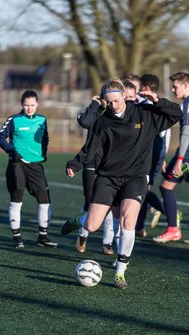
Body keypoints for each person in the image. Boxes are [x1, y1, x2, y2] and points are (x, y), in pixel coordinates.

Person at [61, 80, 182, 289]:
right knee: (92, 225)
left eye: (116, 100)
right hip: (108, 177)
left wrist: (158, 101)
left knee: (128, 221)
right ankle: (81, 219)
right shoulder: (102, 122)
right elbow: (90, 149)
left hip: (136, 176)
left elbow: (176, 114)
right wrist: (74, 164)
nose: (114, 105)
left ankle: (120, 271)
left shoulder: (145, 113)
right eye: (109, 102)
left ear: (124, 96)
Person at [0, 90, 57, 249]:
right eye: (26, 105)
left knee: (45, 202)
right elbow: (0, 137)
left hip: (36, 166)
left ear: (37, 104)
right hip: (17, 164)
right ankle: (17, 238)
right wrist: (11, 151)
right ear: (21, 104)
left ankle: (42, 237)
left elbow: (45, 138)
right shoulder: (14, 119)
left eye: (32, 105)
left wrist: (43, 153)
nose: (29, 108)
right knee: (17, 200)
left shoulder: (43, 120)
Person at [153, 72, 189, 246]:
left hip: (188, 156)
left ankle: (173, 230)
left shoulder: (187, 104)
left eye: (175, 86)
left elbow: (186, 132)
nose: (172, 89)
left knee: (165, 187)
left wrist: (180, 159)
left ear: (186, 85)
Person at [75, 85, 119, 255]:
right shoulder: (95, 112)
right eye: (107, 99)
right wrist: (95, 105)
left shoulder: (118, 113)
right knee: (90, 203)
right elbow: (84, 122)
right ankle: (82, 234)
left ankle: (107, 242)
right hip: (92, 163)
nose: (111, 103)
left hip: (111, 165)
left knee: (109, 204)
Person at [135, 74, 175, 237]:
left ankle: (169, 212)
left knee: (143, 190)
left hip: (153, 154)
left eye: (139, 87)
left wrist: (162, 156)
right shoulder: (141, 103)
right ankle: (140, 226)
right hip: (149, 154)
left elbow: (166, 134)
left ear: (145, 87)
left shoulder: (155, 106)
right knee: (142, 190)